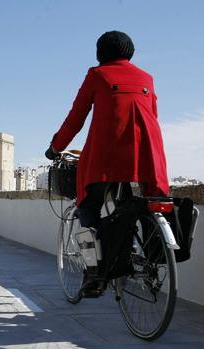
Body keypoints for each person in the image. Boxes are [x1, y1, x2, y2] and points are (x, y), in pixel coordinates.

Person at [46, 31, 169, 296]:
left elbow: (76, 118)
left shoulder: (97, 75)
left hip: (107, 159)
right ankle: (145, 261)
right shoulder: (147, 78)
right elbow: (153, 116)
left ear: (100, 53)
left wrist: (56, 146)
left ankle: (94, 274)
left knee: (89, 208)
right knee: (133, 205)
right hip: (145, 157)